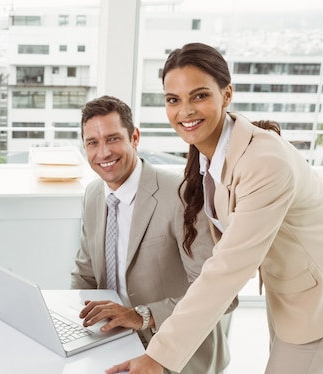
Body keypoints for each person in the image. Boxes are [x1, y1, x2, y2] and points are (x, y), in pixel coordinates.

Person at [108, 43, 323, 374]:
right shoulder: (208, 154)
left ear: (227, 94)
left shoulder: (265, 162)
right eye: (173, 100)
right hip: (291, 293)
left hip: (318, 303)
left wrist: (159, 355)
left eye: (199, 96)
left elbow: (227, 269)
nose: (185, 111)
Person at [72, 95, 234, 373]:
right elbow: (85, 276)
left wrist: (141, 316)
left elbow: (222, 296)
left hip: (174, 348)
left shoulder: (181, 195)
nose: (103, 153)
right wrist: (72, 320)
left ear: (134, 137)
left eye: (113, 139)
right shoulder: (93, 195)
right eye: (93, 143)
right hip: (114, 337)